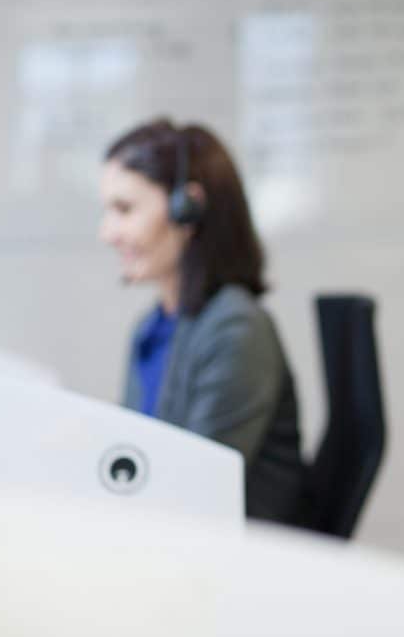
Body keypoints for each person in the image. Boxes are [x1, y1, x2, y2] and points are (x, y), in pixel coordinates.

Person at [98, 118, 302, 522]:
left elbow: (192, 489)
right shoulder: (151, 329)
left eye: (124, 209)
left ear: (186, 208)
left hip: (234, 561)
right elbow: (132, 463)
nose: (107, 232)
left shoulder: (236, 329)